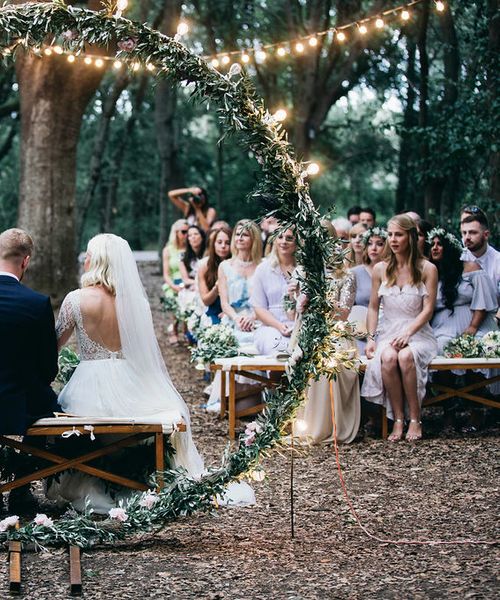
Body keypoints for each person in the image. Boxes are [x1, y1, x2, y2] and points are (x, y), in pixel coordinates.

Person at [49, 234, 204, 512]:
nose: (85, 258)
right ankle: (133, 481)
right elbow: (143, 352)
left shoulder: (75, 300)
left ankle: (94, 480)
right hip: (132, 383)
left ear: (97, 261)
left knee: (77, 423)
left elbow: (53, 347)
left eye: (88, 253)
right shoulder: (137, 305)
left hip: (89, 385)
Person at [361, 214, 438, 442]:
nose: (393, 240)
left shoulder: (427, 269)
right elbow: (373, 308)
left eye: (399, 235)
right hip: (388, 330)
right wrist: (371, 338)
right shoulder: (380, 269)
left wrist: (408, 333)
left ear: (411, 237)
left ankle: (416, 418)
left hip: (418, 331)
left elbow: (428, 310)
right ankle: (398, 418)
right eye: (390, 235)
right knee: (388, 357)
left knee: (406, 356)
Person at [0, 228, 59, 513]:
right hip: (20, 403)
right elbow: (48, 369)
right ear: (26, 261)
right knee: (50, 405)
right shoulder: (36, 304)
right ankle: (21, 489)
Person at [295, 221, 360, 444]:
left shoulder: (346, 276)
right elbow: (293, 311)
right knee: (307, 355)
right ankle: (308, 425)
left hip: (335, 332)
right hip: (308, 330)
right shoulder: (304, 272)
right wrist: (299, 304)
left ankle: (331, 425)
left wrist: (324, 301)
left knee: (331, 359)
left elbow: (343, 314)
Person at [429, 227, 497, 353]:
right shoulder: (431, 272)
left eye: (439, 244)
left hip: (474, 325)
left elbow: (482, 300)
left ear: (449, 248)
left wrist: (473, 327)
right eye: (432, 244)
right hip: (441, 328)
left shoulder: (470, 267)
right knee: (440, 347)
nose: (435, 247)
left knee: (479, 347)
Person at [251, 228, 297, 355]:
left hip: (299, 324)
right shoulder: (263, 269)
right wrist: (279, 326)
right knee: (278, 348)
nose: (284, 242)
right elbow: (259, 308)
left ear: (297, 242)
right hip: (270, 326)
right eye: (280, 237)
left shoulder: (305, 269)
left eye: (289, 238)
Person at [218, 220, 262, 344]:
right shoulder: (224, 266)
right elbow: (224, 303)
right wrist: (237, 319)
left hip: (258, 320)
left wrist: (253, 317)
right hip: (233, 320)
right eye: (237, 234)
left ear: (254, 239)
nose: (240, 238)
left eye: (245, 235)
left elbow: (267, 302)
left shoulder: (263, 266)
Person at [350, 227, 387, 354]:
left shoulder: (394, 273)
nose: (374, 248)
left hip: (387, 329)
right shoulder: (354, 273)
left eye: (380, 244)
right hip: (360, 332)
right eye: (370, 243)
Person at [460, 208, 500, 301]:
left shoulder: (498, 261)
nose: (467, 237)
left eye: (473, 232)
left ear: (486, 235)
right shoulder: (459, 258)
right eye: (464, 233)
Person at [197, 226, 232, 324]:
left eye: (227, 243)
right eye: (219, 242)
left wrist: (228, 312)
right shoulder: (205, 266)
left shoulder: (236, 265)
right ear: (213, 244)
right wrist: (216, 289)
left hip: (235, 310)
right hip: (214, 310)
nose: (223, 246)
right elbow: (206, 301)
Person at [162, 219, 188, 344]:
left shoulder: (189, 248)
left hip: (187, 281)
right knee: (175, 305)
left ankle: (187, 332)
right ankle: (175, 330)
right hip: (174, 282)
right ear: (176, 232)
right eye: (183, 232)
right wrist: (173, 286)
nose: (186, 235)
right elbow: (166, 274)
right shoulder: (168, 250)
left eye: (188, 231)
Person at [179, 225, 206, 290]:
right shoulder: (182, 256)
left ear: (202, 237)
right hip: (191, 288)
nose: (193, 237)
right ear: (188, 239)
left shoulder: (208, 254)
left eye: (196, 234)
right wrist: (197, 283)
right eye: (190, 235)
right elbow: (185, 280)